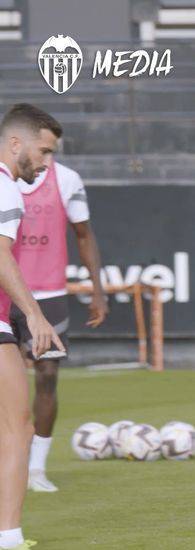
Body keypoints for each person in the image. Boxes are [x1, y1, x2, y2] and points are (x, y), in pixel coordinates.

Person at [14, 158, 108, 493]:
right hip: (6, 291)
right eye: (41, 146)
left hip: (49, 293)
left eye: (51, 148)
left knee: (48, 374)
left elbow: (84, 234)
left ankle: (36, 467)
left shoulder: (67, 179)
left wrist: (98, 289)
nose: (45, 154)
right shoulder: (4, 178)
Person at [0, 103, 67, 550]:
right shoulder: (5, 187)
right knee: (16, 429)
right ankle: (8, 539)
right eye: (43, 151)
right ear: (15, 143)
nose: (46, 163)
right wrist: (36, 315)